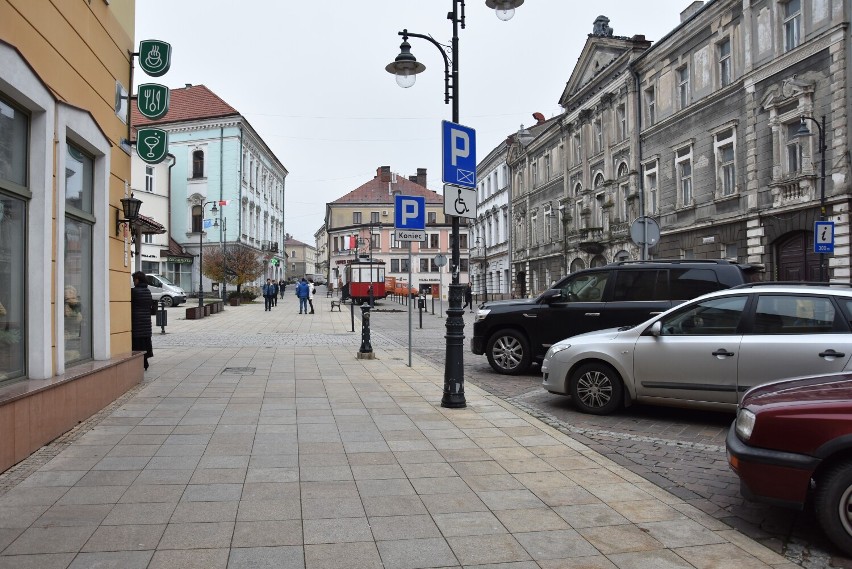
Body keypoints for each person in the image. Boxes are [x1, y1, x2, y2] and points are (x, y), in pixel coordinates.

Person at [130, 271, 154, 371]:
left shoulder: (134, 291)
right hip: (146, 322)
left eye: (134, 280)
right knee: (145, 342)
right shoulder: (147, 291)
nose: (133, 282)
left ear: (137, 280)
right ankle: (145, 362)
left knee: (138, 345)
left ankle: (142, 363)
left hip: (137, 322)